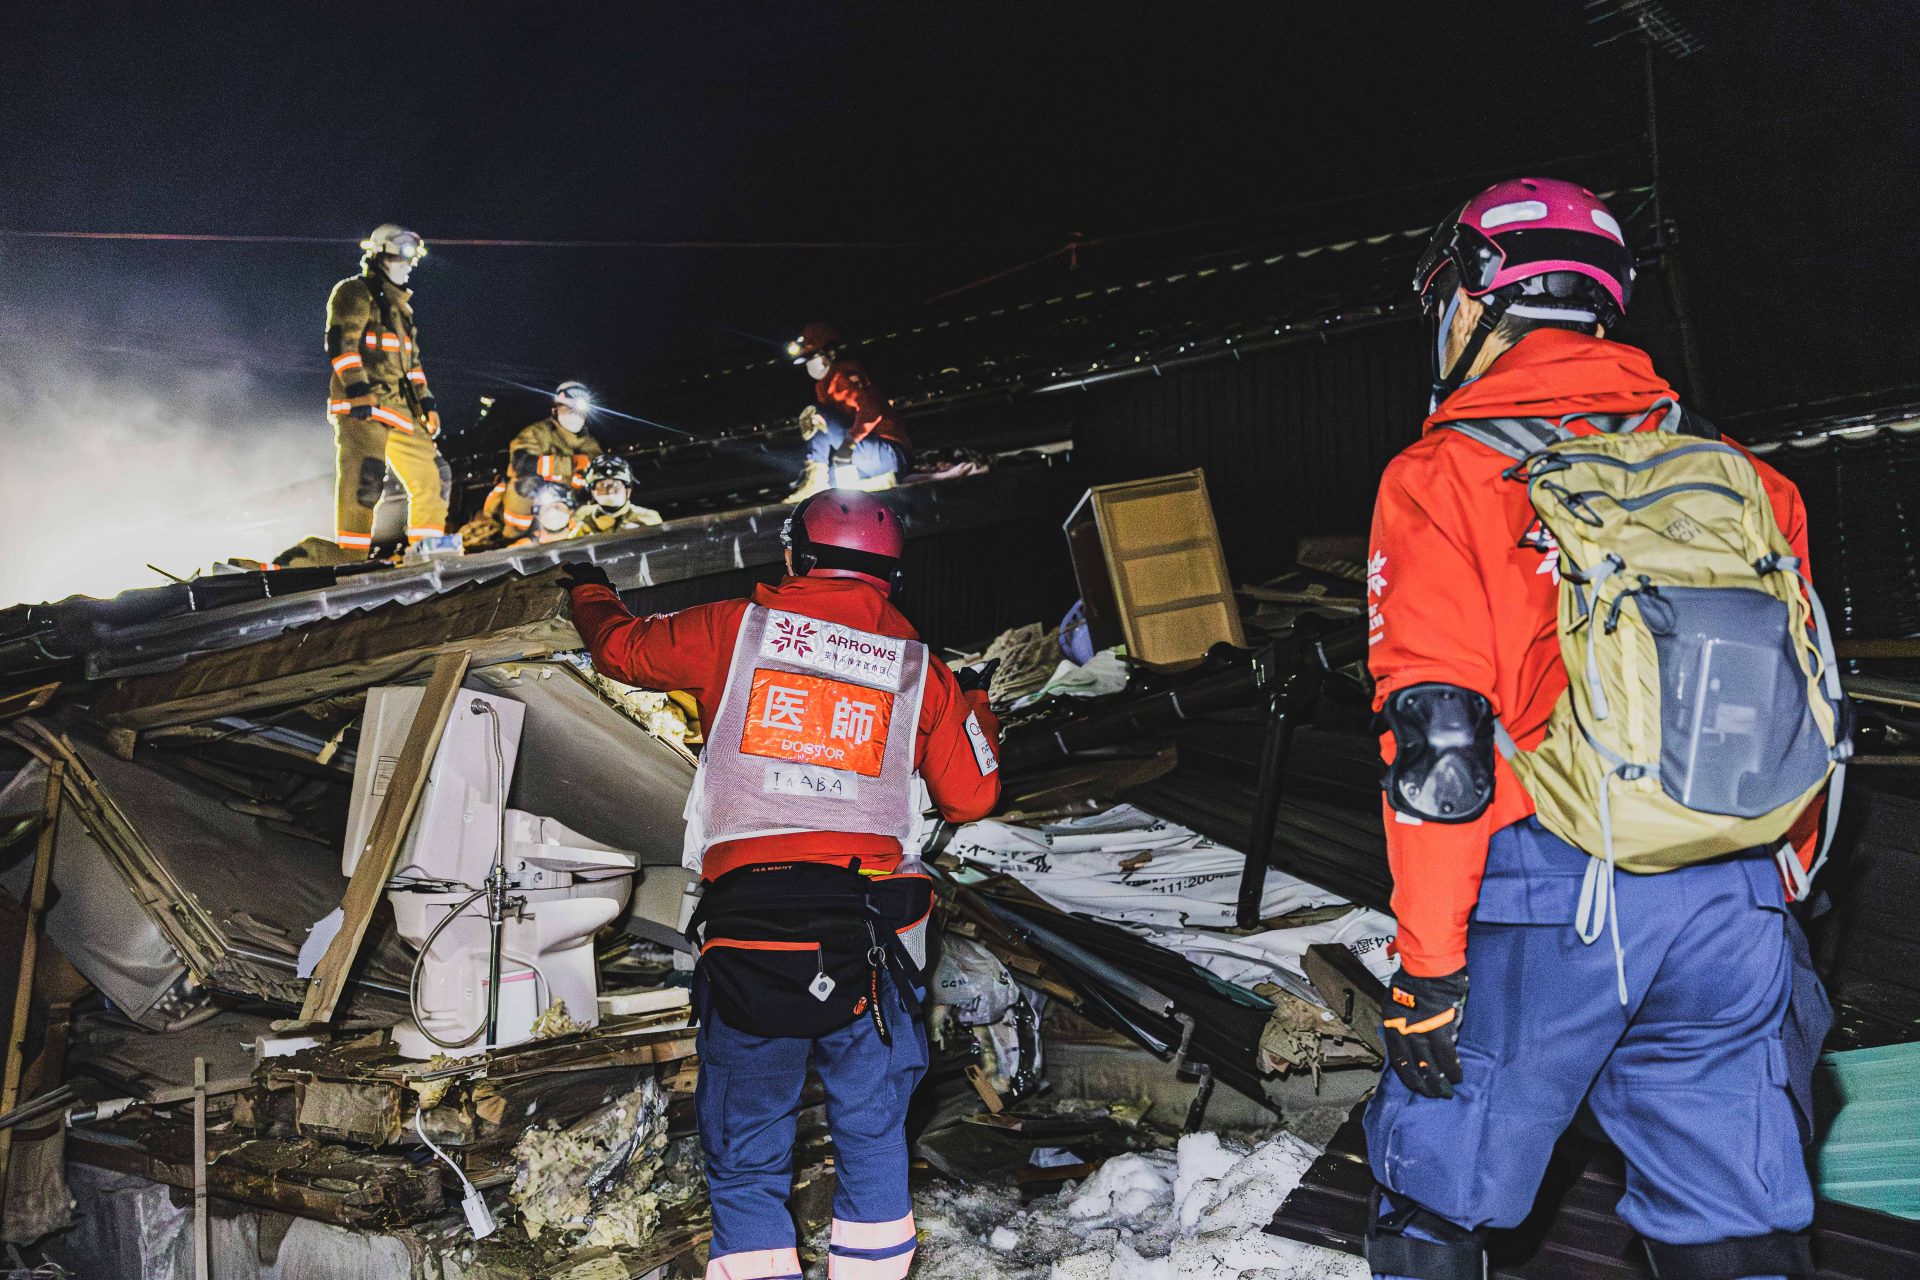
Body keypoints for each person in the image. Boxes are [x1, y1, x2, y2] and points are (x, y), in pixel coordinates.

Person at [1362, 178, 1834, 1280]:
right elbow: (1809, 700)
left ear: (1477, 300)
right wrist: (1779, 880)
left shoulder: (1444, 475)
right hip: (1732, 890)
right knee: (1732, 1211)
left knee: (1436, 1186)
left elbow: (1441, 742)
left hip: (1553, 892)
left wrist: (1427, 971)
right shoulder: (1745, 479)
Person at [560, 492, 1001, 1280]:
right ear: (892, 579)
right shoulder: (918, 670)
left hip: (750, 924)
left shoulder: (734, 630)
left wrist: (586, 590)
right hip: (869, 929)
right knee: (871, 1127)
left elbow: (620, 650)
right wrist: (974, 702)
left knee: (745, 1135)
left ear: (794, 557)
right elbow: (972, 796)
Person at [325, 224, 457, 557]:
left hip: (401, 409)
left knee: (435, 474)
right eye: (405, 252)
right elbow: (342, 342)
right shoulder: (354, 291)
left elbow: (412, 366)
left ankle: (429, 553)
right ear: (382, 252)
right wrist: (357, 389)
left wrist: (428, 404)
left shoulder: (402, 311)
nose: (411, 262)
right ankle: (350, 558)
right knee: (366, 480)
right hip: (364, 406)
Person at [784, 322, 913, 503]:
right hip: (875, 460)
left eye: (814, 357)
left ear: (829, 353)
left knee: (815, 413)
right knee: (834, 482)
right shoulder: (823, 385)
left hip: (888, 453)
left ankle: (815, 479)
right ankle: (884, 482)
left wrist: (849, 443)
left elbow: (871, 411)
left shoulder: (842, 374)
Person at [502, 381, 604, 538]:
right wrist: (571, 465)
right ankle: (513, 536)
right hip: (533, 501)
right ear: (555, 409)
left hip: (567, 505)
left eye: (579, 410)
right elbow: (522, 463)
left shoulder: (590, 443)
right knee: (523, 486)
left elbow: (597, 469)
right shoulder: (537, 432)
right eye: (568, 407)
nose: (574, 414)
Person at [569, 454, 663, 536]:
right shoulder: (582, 516)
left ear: (627, 489)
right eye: (603, 485)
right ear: (593, 491)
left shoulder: (647, 518)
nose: (610, 490)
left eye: (615, 484)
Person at [508, 481, 577, 547]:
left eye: (557, 508)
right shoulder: (522, 548)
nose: (553, 513)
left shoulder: (523, 548)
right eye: (548, 509)